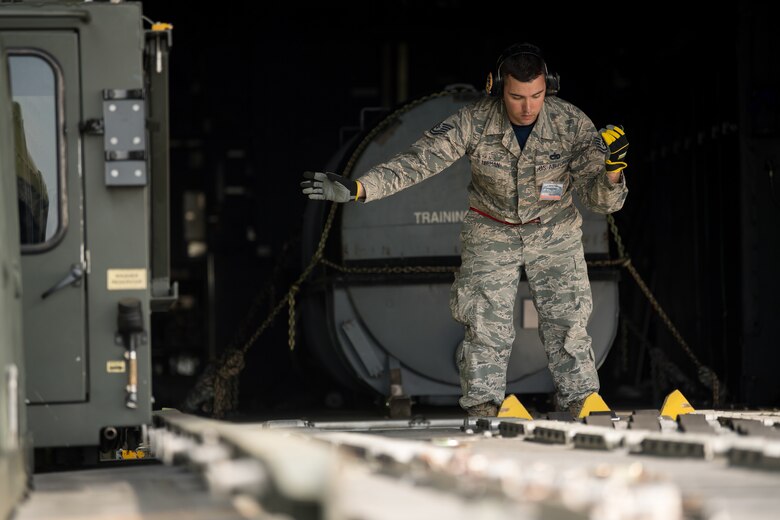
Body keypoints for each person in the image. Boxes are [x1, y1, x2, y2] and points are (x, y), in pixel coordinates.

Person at [301, 43, 629, 417]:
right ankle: (484, 408)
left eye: (536, 95)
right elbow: (419, 161)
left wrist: (613, 169)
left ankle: (583, 400)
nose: (527, 107)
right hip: (492, 231)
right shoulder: (473, 121)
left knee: (568, 321)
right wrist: (361, 189)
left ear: (548, 87)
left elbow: (603, 202)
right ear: (496, 87)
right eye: (517, 96)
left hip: (553, 232)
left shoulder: (571, 124)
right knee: (485, 325)